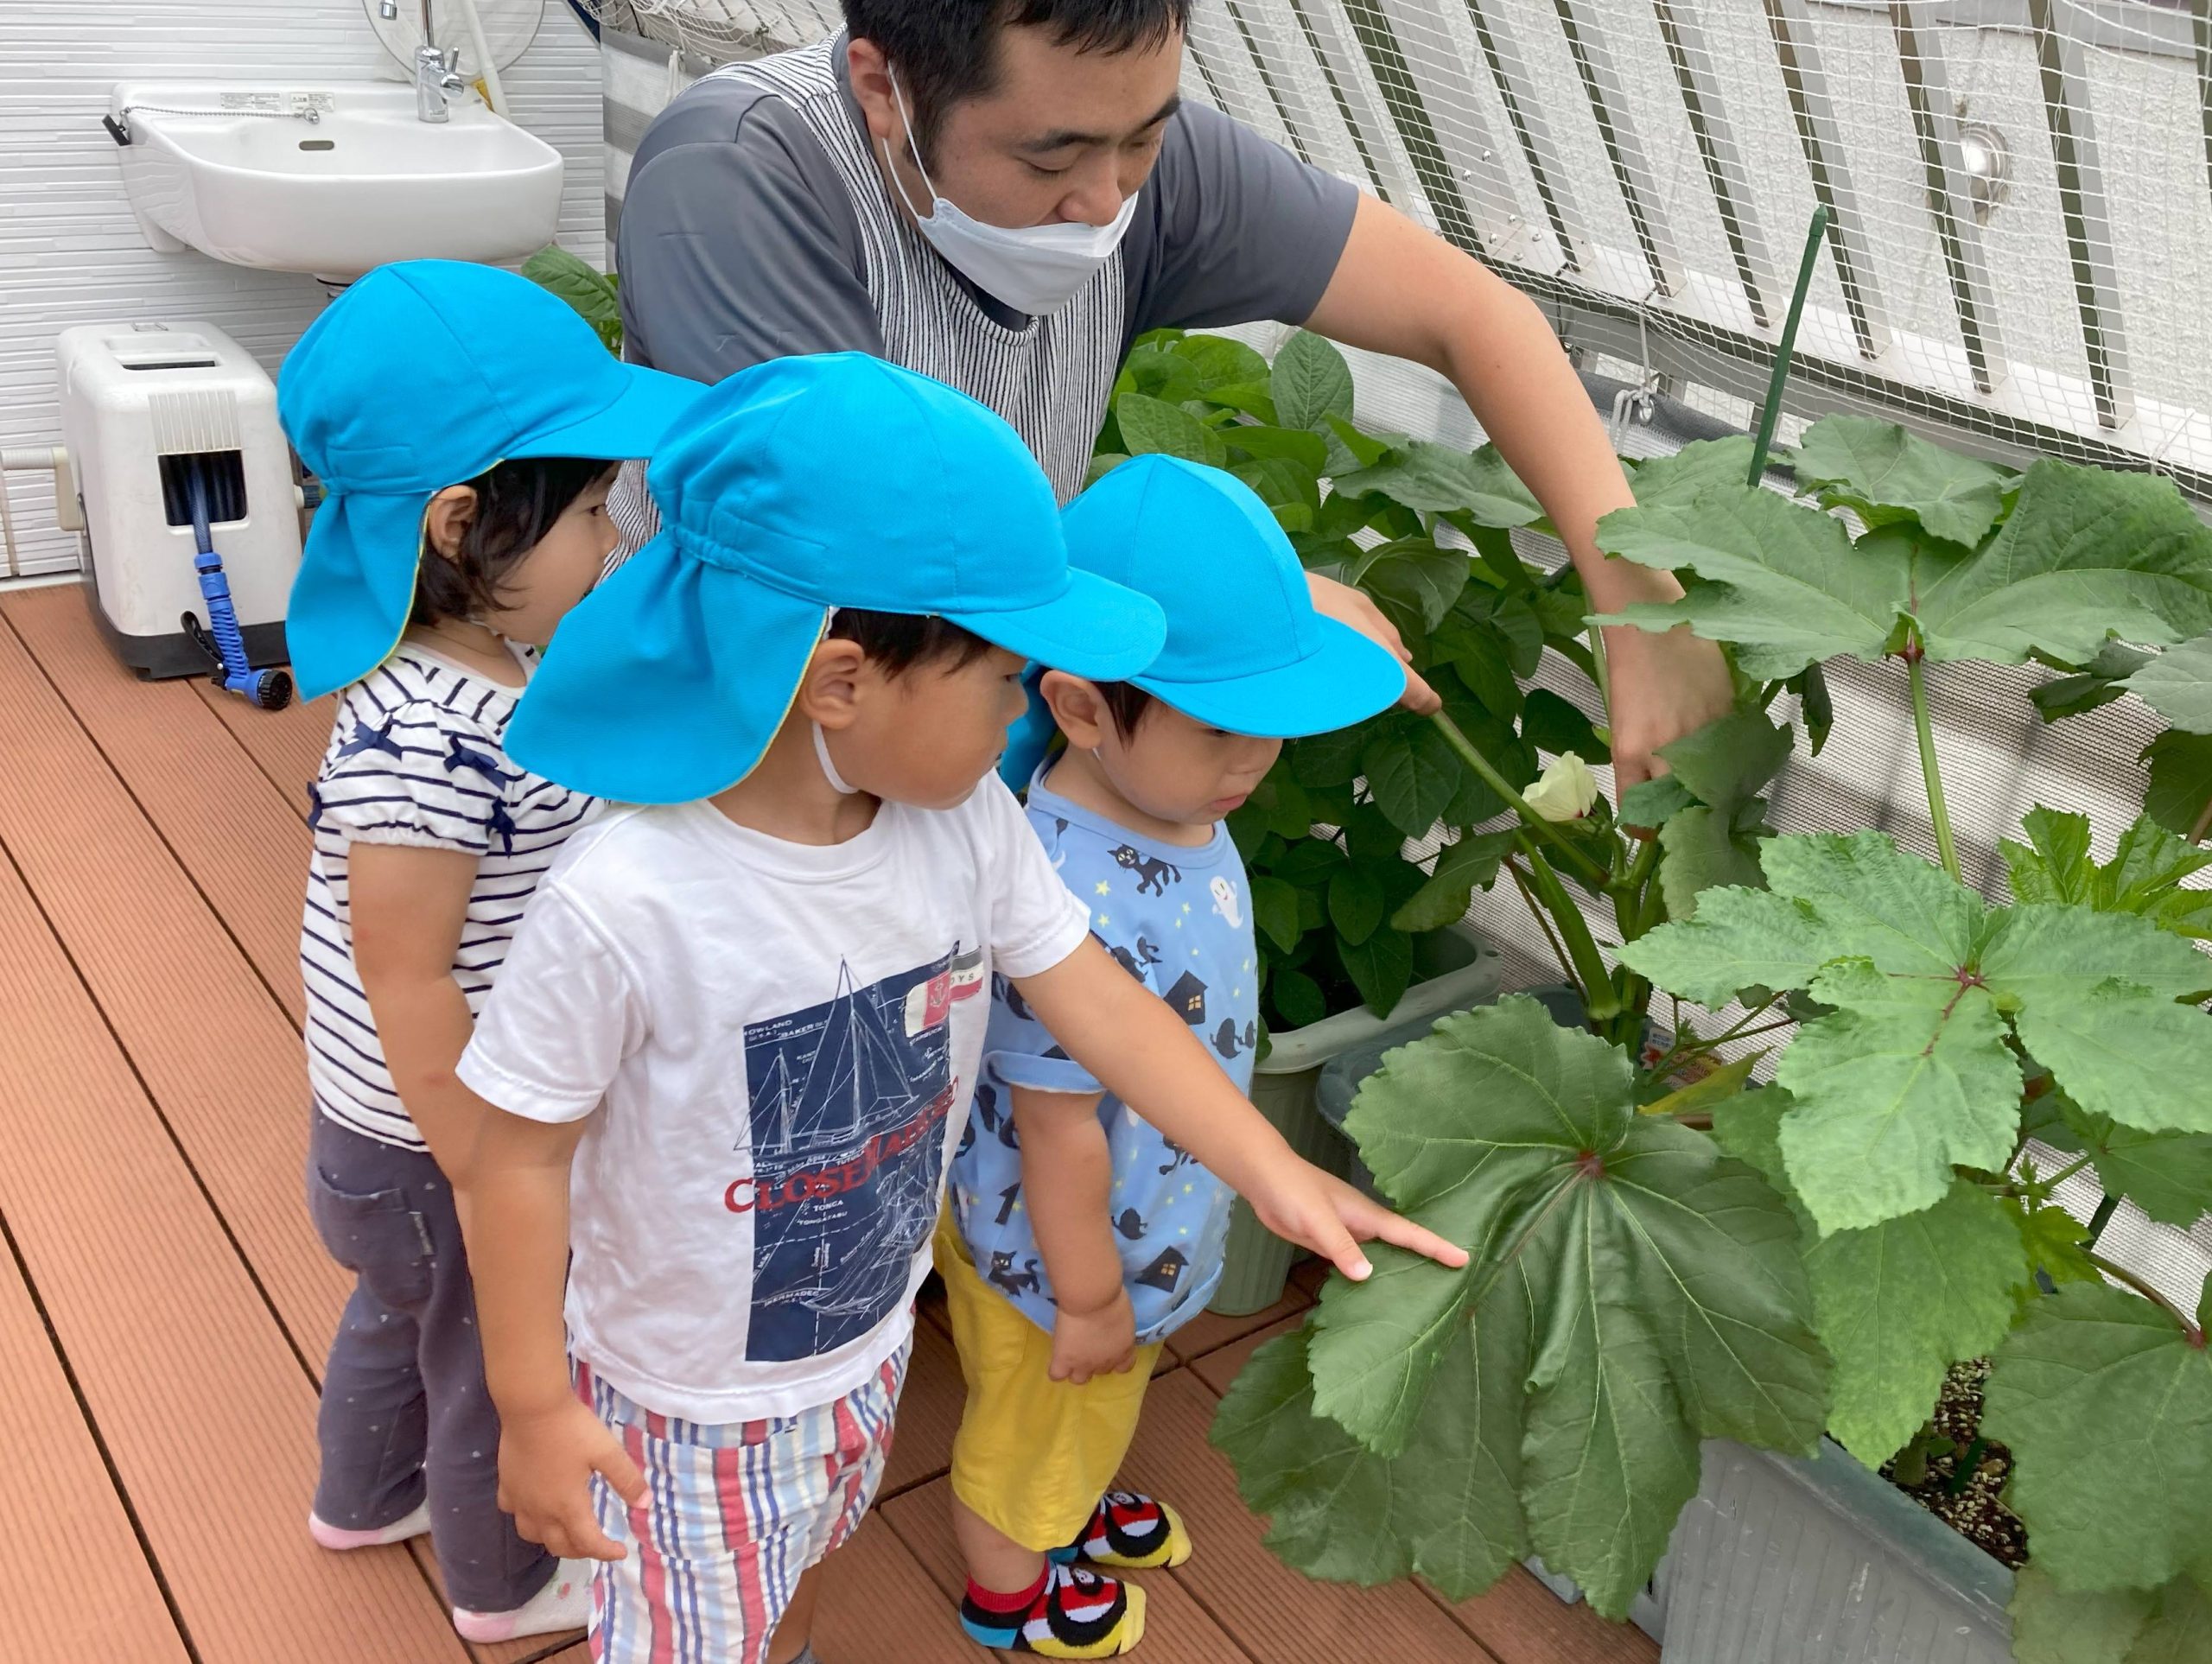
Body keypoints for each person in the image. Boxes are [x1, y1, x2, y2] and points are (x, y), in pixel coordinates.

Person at [446, 353, 1467, 1664]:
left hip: (863, 1342)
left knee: (794, 1573)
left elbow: (1095, 996)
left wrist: (1267, 1164)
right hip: (688, 1404)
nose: (1022, 714)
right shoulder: (629, 901)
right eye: (1001, 679)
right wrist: (532, 1405)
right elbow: (511, 1153)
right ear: (841, 681)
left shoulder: (961, 822)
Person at [611, 0, 1732, 793]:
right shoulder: (742, 176)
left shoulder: (1151, 169)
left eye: (1141, 140)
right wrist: (1229, 596)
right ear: (883, 88)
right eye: (1050, 162)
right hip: (730, 771)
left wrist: (1636, 597)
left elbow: (1475, 316)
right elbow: (859, 563)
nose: (1104, 203)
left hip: (968, 742)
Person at [279, 259, 703, 1642]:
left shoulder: (483, 674)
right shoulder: (426, 737)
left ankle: (362, 1493)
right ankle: (503, 1581)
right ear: (464, 526)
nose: (613, 539)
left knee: (397, 1319)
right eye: (589, 512)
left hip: (383, 1140)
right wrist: (484, 1159)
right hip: (433, 1134)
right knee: (477, 1354)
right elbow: (404, 967)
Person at [938, 454, 1408, 1656]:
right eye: (1222, 727)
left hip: (1139, 1204)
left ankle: (1070, 1506)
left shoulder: (1168, 799)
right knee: (1032, 1419)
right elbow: (1052, 1121)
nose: (1254, 761)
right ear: (1084, 708)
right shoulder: (1062, 885)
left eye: (1270, 726)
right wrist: (1087, 1292)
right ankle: (1007, 1588)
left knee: (1086, 1412)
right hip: (1058, 1242)